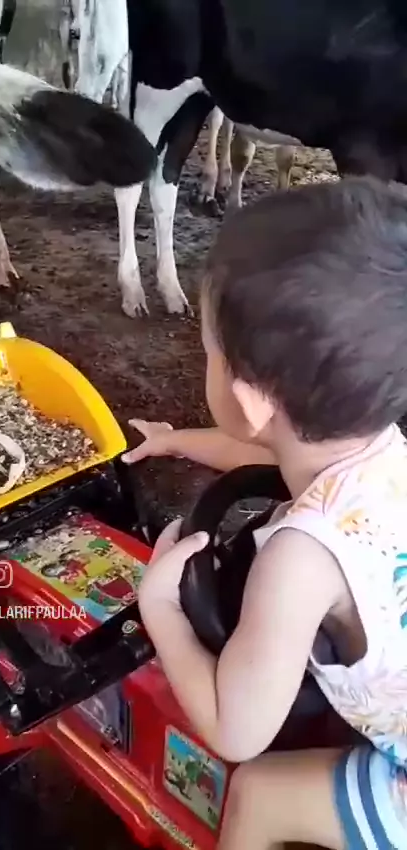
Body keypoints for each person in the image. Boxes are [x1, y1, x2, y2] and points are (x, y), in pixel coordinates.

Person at [126, 177, 407, 849]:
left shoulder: (299, 561)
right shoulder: (383, 448)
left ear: (251, 399)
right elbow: (264, 447)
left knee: (256, 791)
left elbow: (236, 728)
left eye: (208, 354)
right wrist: (175, 441)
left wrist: (160, 610)